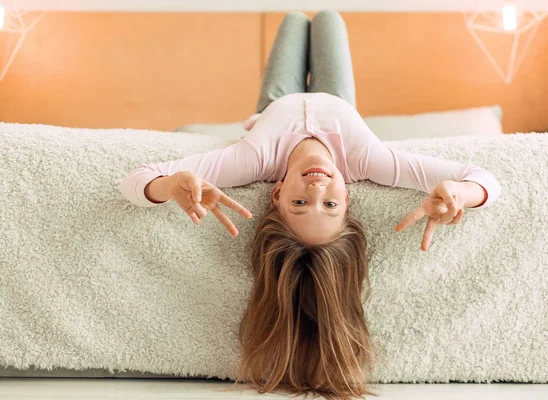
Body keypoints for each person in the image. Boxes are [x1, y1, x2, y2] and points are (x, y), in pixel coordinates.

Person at [120, 10, 501, 400]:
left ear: (276, 192)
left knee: (293, 20)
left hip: (275, 101)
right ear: (348, 196)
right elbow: (485, 179)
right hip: (339, 99)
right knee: (330, 19)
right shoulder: (369, 159)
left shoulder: (253, 158)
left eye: (300, 202)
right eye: (331, 203)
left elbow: (134, 180)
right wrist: (460, 194)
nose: (317, 185)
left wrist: (168, 186)